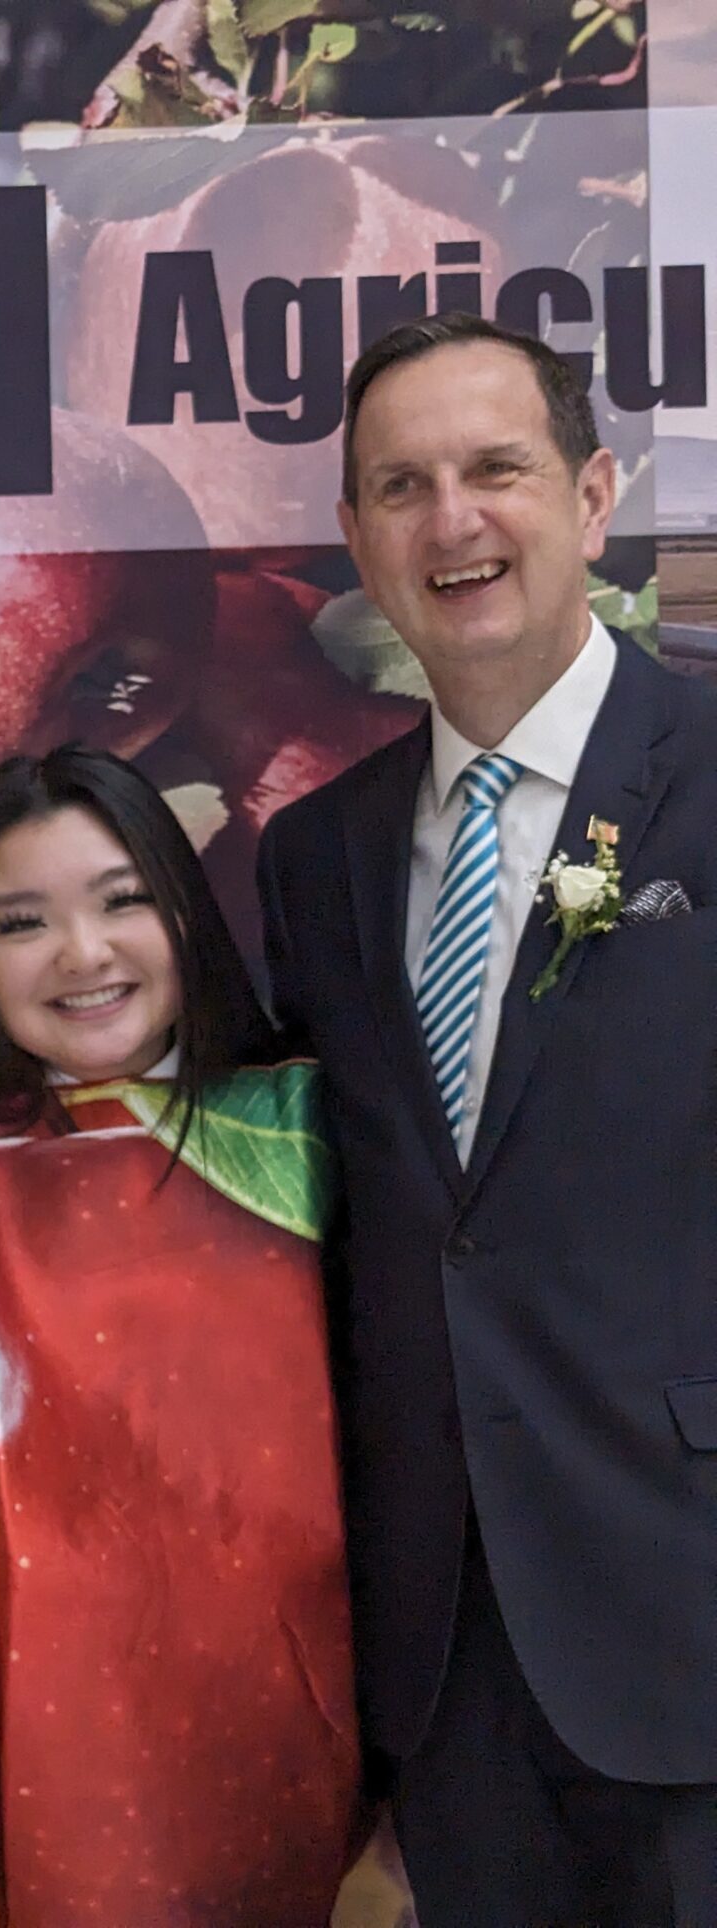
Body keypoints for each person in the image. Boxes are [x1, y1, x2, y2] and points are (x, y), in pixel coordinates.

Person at [259, 312, 717, 1924]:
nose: (452, 521)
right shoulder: (315, 858)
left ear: (593, 498)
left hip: (692, 1628)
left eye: (495, 470)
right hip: (447, 1673)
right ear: (358, 541)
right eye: (402, 485)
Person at [0, 747, 360, 1927]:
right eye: (23, 921)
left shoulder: (318, 1138)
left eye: (123, 899)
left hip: (314, 1778)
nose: (84, 953)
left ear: (184, 908)